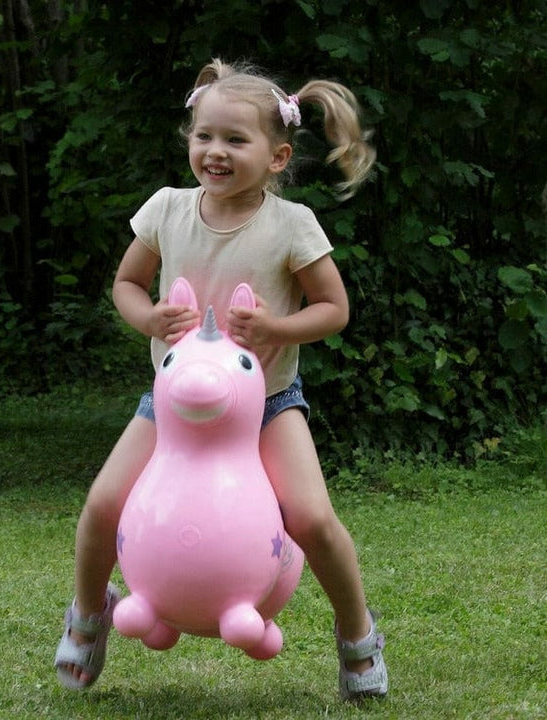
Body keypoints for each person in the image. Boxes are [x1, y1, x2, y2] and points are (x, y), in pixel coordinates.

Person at [54, 58, 388, 702]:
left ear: (277, 156)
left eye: (236, 140)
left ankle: (358, 634)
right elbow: (126, 284)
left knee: (312, 518)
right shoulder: (166, 209)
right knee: (101, 506)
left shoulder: (292, 225)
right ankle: (89, 613)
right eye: (204, 136)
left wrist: (276, 329)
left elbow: (334, 310)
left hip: (268, 403)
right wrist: (148, 316)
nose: (215, 151)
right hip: (175, 406)